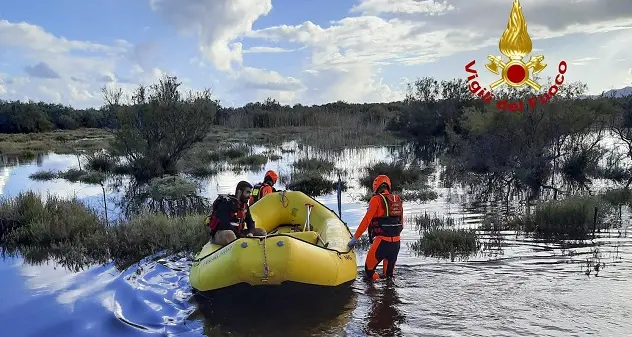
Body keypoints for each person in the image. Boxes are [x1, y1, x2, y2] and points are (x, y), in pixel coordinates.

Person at [348, 175, 403, 280]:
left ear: (375, 186)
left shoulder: (375, 200)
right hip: (396, 244)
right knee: (389, 277)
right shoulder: (397, 200)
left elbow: (366, 221)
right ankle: (388, 294)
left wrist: (354, 239)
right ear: (388, 186)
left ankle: (372, 294)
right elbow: (402, 224)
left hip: (381, 243)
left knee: (369, 272)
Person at [205, 181, 267, 246]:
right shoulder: (225, 203)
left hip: (238, 233)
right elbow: (224, 225)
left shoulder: (245, 206)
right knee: (230, 234)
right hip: (220, 234)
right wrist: (241, 236)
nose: (249, 196)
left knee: (261, 231)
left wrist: (251, 233)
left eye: (250, 193)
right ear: (239, 192)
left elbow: (250, 222)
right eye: (247, 192)